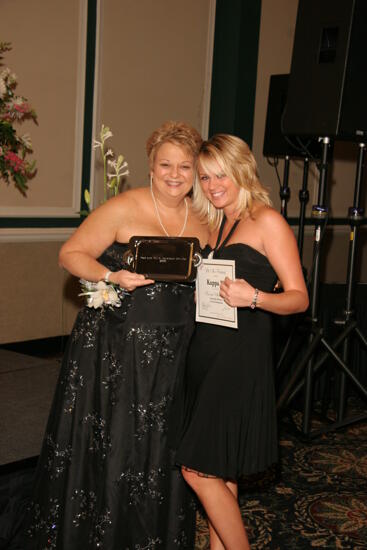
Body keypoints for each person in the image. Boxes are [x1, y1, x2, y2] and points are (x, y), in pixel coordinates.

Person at [24, 121, 209, 549]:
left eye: (185, 165)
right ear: (150, 165)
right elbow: (69, 254)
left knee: (160, 448)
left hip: (177, 352)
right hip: (119, 350)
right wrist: (112, 275)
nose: (175, 174)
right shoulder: (125, 207)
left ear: (197, 169)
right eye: (166, 164)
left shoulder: (205, 217)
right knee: (120, 444)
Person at [176, 134, 309, 549]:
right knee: (219, 470)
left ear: (241, 170)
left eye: (220, 175)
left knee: (196, 470)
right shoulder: (219, 221)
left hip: (238, 361)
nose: (213, 185)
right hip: (208, 355)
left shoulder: (267, 220)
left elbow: (299, 298)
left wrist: (253, 296)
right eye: (205, 177)